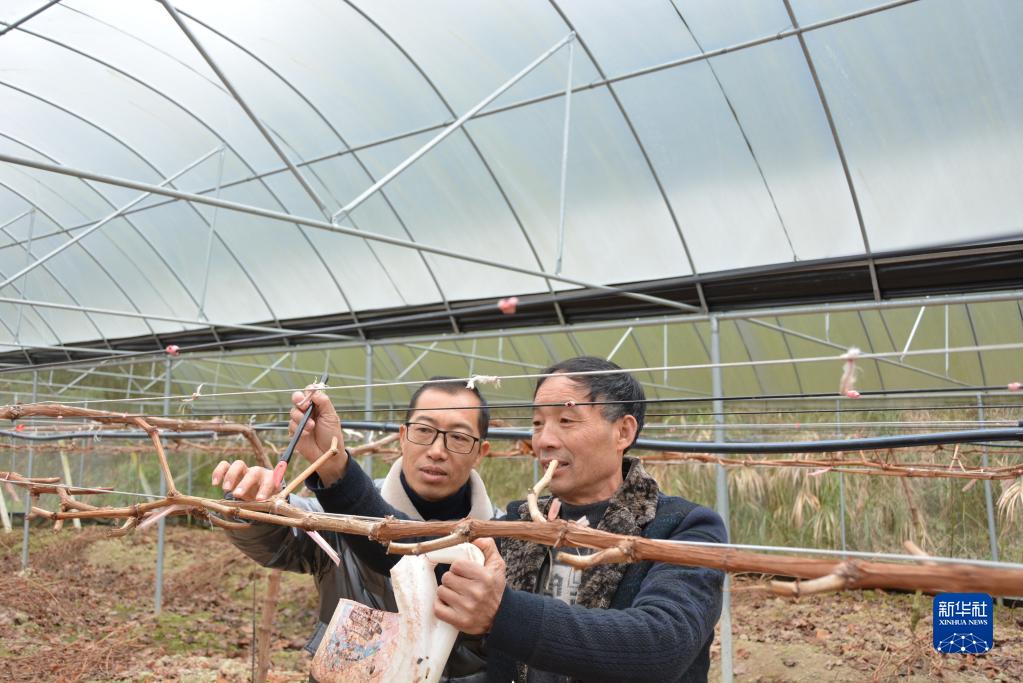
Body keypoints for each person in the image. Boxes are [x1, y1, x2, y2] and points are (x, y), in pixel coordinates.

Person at [299, 356, 727, 682]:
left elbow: (661, 644)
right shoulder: (517, 526)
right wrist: (336, 469)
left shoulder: (682, 527)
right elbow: (413, 560)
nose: (544, 440)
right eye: (538, 423)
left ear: (624, 432)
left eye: (566, 420)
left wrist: (502, 612)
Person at [211, 377, 500, 682]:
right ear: (402, 436)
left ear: (481, 451)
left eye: (458, 437)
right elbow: (282, 538)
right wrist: (256, 506)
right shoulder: (339, 514)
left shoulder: (504, 541)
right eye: (424, 431)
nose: (437, 450)